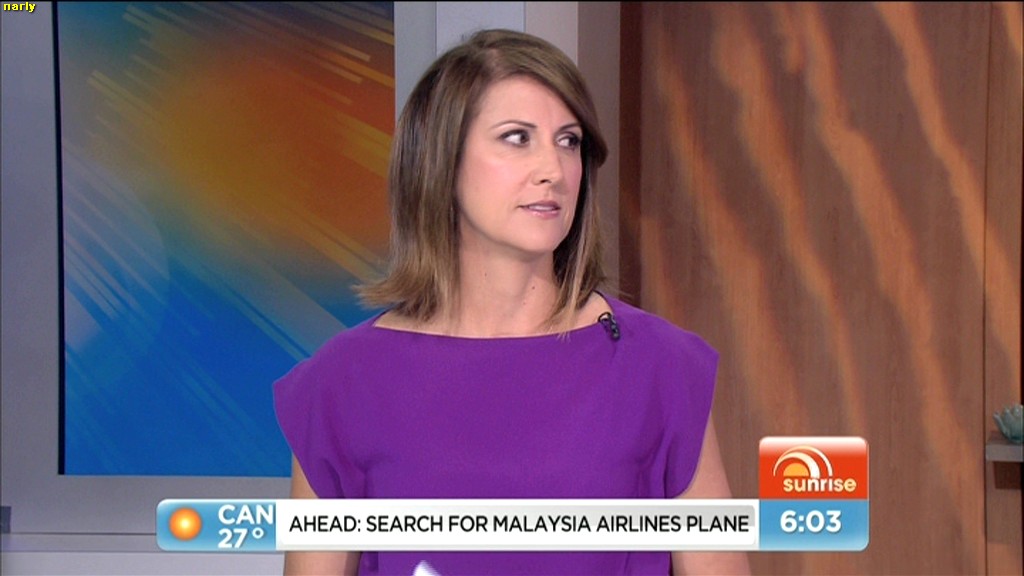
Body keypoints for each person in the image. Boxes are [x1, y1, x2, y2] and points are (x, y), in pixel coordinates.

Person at [273, 28, 751, 576]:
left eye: (568, 141)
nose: (553, 169)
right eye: (517, 137)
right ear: (442, 161)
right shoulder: (343, 382)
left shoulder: (660, 366)